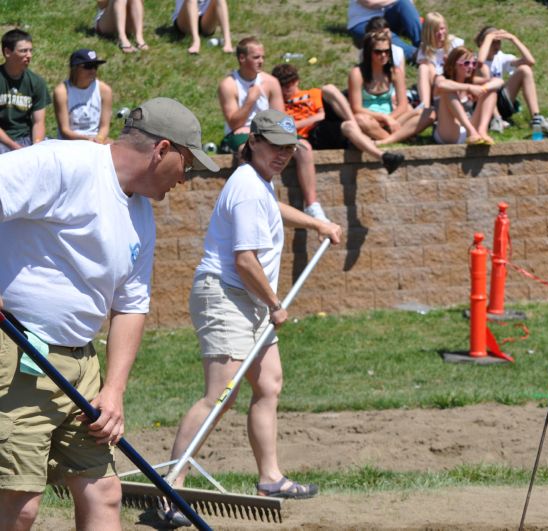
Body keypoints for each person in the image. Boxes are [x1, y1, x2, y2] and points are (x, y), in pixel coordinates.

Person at [0, 97, 219, 530]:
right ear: (161, 150)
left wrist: (114, 390)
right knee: (18, 503)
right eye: (187, 164)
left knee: (104, 492)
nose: (187, 178)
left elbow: (131, 305)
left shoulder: (140, 215)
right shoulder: (65, 163)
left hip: (81, 365)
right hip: (18, 354)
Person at [161, 109, 342, 527]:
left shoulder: (257, 182)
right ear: (254, 141)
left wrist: (315, 223)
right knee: (219, 395)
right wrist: (275, 303)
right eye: (275, 146)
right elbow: (244, 261)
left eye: (288, 148)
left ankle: (270, 478)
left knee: (268, 383)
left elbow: (272, 207)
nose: (281, 154)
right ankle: (172, 488)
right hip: (228, 296)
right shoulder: (244, 185)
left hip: (250, 299)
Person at [219, 37, 327, 220]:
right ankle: (251, 203)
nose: (261, 61)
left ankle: (312, 205)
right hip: (239, 132)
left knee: (304, 148)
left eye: (262, 57)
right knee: (245, 151)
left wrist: (275, 138)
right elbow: (234, 123)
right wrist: (251, 99)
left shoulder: (270, 82)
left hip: (267, 131)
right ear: (242, 58)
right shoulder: (228, 85)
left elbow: (281, 119)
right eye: (256, 57)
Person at [272, 63, 405, 174]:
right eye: (282, 85)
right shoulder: (278, 104)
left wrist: (298, 123)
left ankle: (379, 152)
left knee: (329, 90)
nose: (286, 88)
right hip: (312, 135)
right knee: (348, 126)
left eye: (289, 83)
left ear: (296, 81)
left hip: (325, 123)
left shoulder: (312, 94)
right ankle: (379, 153)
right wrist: (303, 123)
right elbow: (283, 127)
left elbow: (322, 115)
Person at [475, 27, 548, 135]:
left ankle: (536, 119)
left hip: (501, 102)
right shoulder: (474, 59)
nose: (496, 45)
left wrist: (513, 38)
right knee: (486, 77)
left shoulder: (501, 57)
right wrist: (489, 37)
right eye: (492, 42)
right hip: (483, 105)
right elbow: (480, 61)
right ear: (483, 42)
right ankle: (496, 119)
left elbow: (530, 61)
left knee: (525, 70)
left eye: (498, 42)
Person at [348, 30, 424, 146]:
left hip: (393, 119)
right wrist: (384, 118)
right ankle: (400, 137)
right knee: (359, 119)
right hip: (371, 120)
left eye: (387, 51)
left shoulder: (395, 72)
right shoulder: (357, 73)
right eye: (378, 52)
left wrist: (390, 119)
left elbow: (402, 104)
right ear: (369, 53)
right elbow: (356, 108)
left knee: (428, 113)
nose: (383, 55)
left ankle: (385, 140)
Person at [433, 46, 503, 145]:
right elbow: (441, 85)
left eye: (473, 64)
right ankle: (472, 131)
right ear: (453, 65)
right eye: (466, 63)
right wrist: (469, 88)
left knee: (491, 91)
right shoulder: (441, 78)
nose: (471, 67)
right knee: (448, 90)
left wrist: (482, 89)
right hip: (447, 132)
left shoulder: (472, 81)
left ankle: (482, 131)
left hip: (469, 131)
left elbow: (499, 81)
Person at [0, 29, 48, 154]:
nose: (29, 55)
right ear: (7, 52)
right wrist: (14, 147)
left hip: (27, 139)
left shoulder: (37, 82)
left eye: (30, 50)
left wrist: (37, 147)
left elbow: (39, 122)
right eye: (23, 51)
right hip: (3, 140)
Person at [53, 49, 113, 143]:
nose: (93, 70)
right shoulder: (62, 92)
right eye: (88, 66)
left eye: (95, 66)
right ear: (75, 68)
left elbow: (104, 127)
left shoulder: (104, 90)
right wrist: (88, 140)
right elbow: (65, 130)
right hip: (70, 142)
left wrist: (99, 139)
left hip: (96, 140)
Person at [416, 12, 464, 109]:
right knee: (423, 67)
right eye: (436, 31)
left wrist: (449, 64)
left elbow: (464, 67)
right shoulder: (424, 49)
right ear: (429, 32)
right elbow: (430, 75)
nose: (441, 33)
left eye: (442, 29)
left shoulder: (455, 43)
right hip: (435, 87)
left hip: (454, 83)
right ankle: (425, 107)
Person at [346, 0, 421, 62]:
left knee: (403, 3)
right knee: (383, 37)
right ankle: (417, 55)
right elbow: (369, 3)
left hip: (385, 17)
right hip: (363, 22)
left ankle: (425, 43)